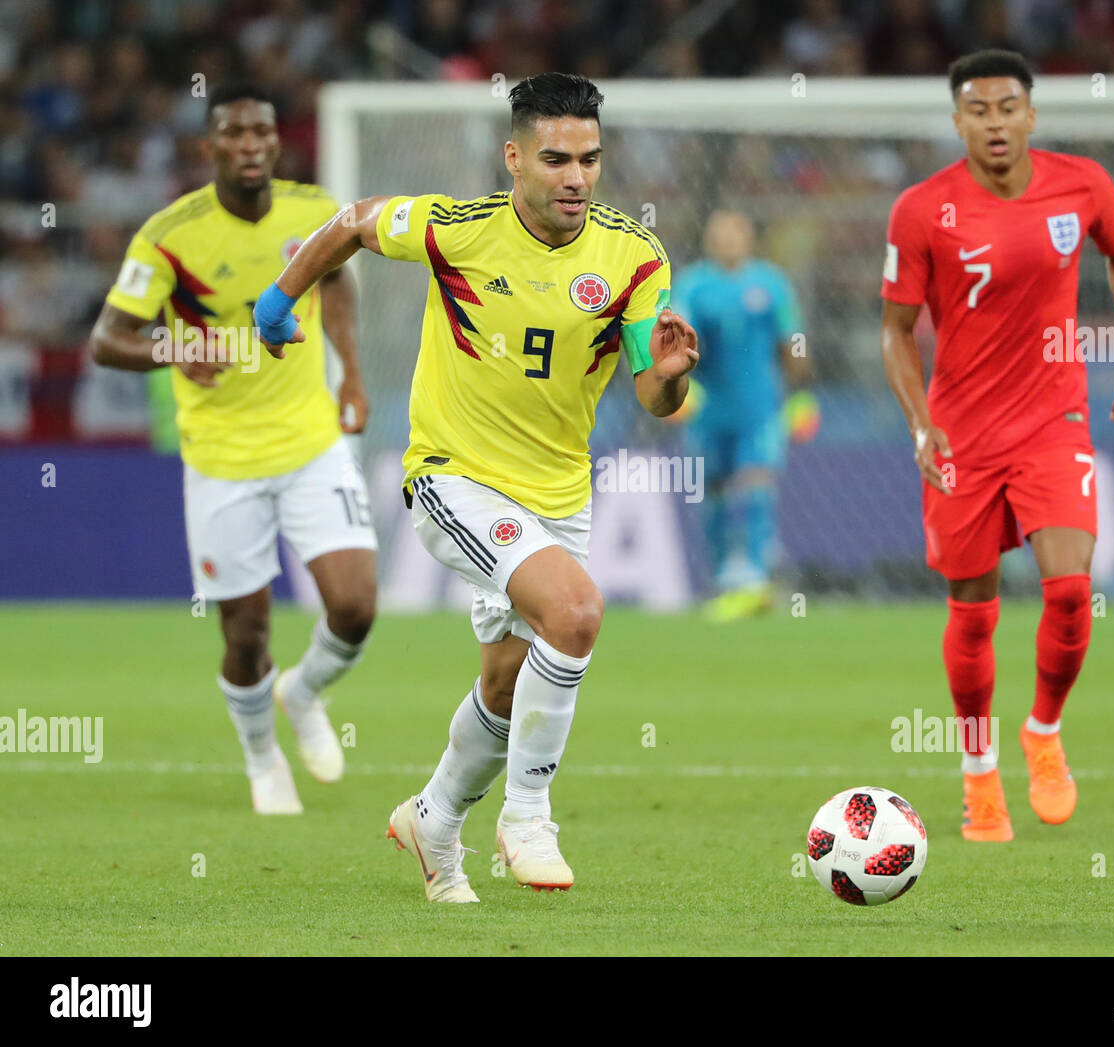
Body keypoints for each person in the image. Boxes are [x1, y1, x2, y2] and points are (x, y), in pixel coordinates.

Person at [253, 72, 698, 900]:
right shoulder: (456, 229)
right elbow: (352, 222)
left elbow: (653, 396)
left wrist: (670, 376)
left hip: (557, 492)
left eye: (591, 160)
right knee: (577, 612)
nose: (576, 177)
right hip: (451, 477)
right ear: (515, 157)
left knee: (507, 681)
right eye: (557, 158)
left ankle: (433, 818)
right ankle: (527, 816)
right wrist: (280, 300)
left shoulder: (633, 255)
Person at [880, 50, 1114, 841]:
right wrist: (918, 422)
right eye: (978, 109)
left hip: (1053, 418)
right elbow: (895, 331)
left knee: (1070, 590)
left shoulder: (1082, 185)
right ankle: (977, 773)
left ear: (1032, 115)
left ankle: (1041, 730)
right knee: (972, 607)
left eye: (1008, 107)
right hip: (960, 431)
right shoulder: (921, 210)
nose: (995, 122)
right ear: (957, 120)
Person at [89, 83, 377, 815]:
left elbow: (336, 280)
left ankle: (304, 691)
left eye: (262, 133)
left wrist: (351, 374)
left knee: (355, 606)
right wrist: (176, 345)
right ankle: (261, 758)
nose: (250, 145)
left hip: (311, 440)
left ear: (276, 143)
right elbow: (107, 339)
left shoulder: (314, 211)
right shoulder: (170, 234)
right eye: (234, 135)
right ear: (210, 147)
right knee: (245, 633)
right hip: (220, 459)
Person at [673, 210, 809, 622]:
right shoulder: (693, 286)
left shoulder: (771, 284)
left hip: (760, 408)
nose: (728, 241)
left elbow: (794, 339)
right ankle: (722, 579)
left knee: (755, 483)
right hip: (709, 408)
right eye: (720, 234)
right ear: (709, 239)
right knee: (712, 492)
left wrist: (801, 386)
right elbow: (679, 343)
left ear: (749, 238)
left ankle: (753, 577)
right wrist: (677, 390)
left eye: (736, 233)